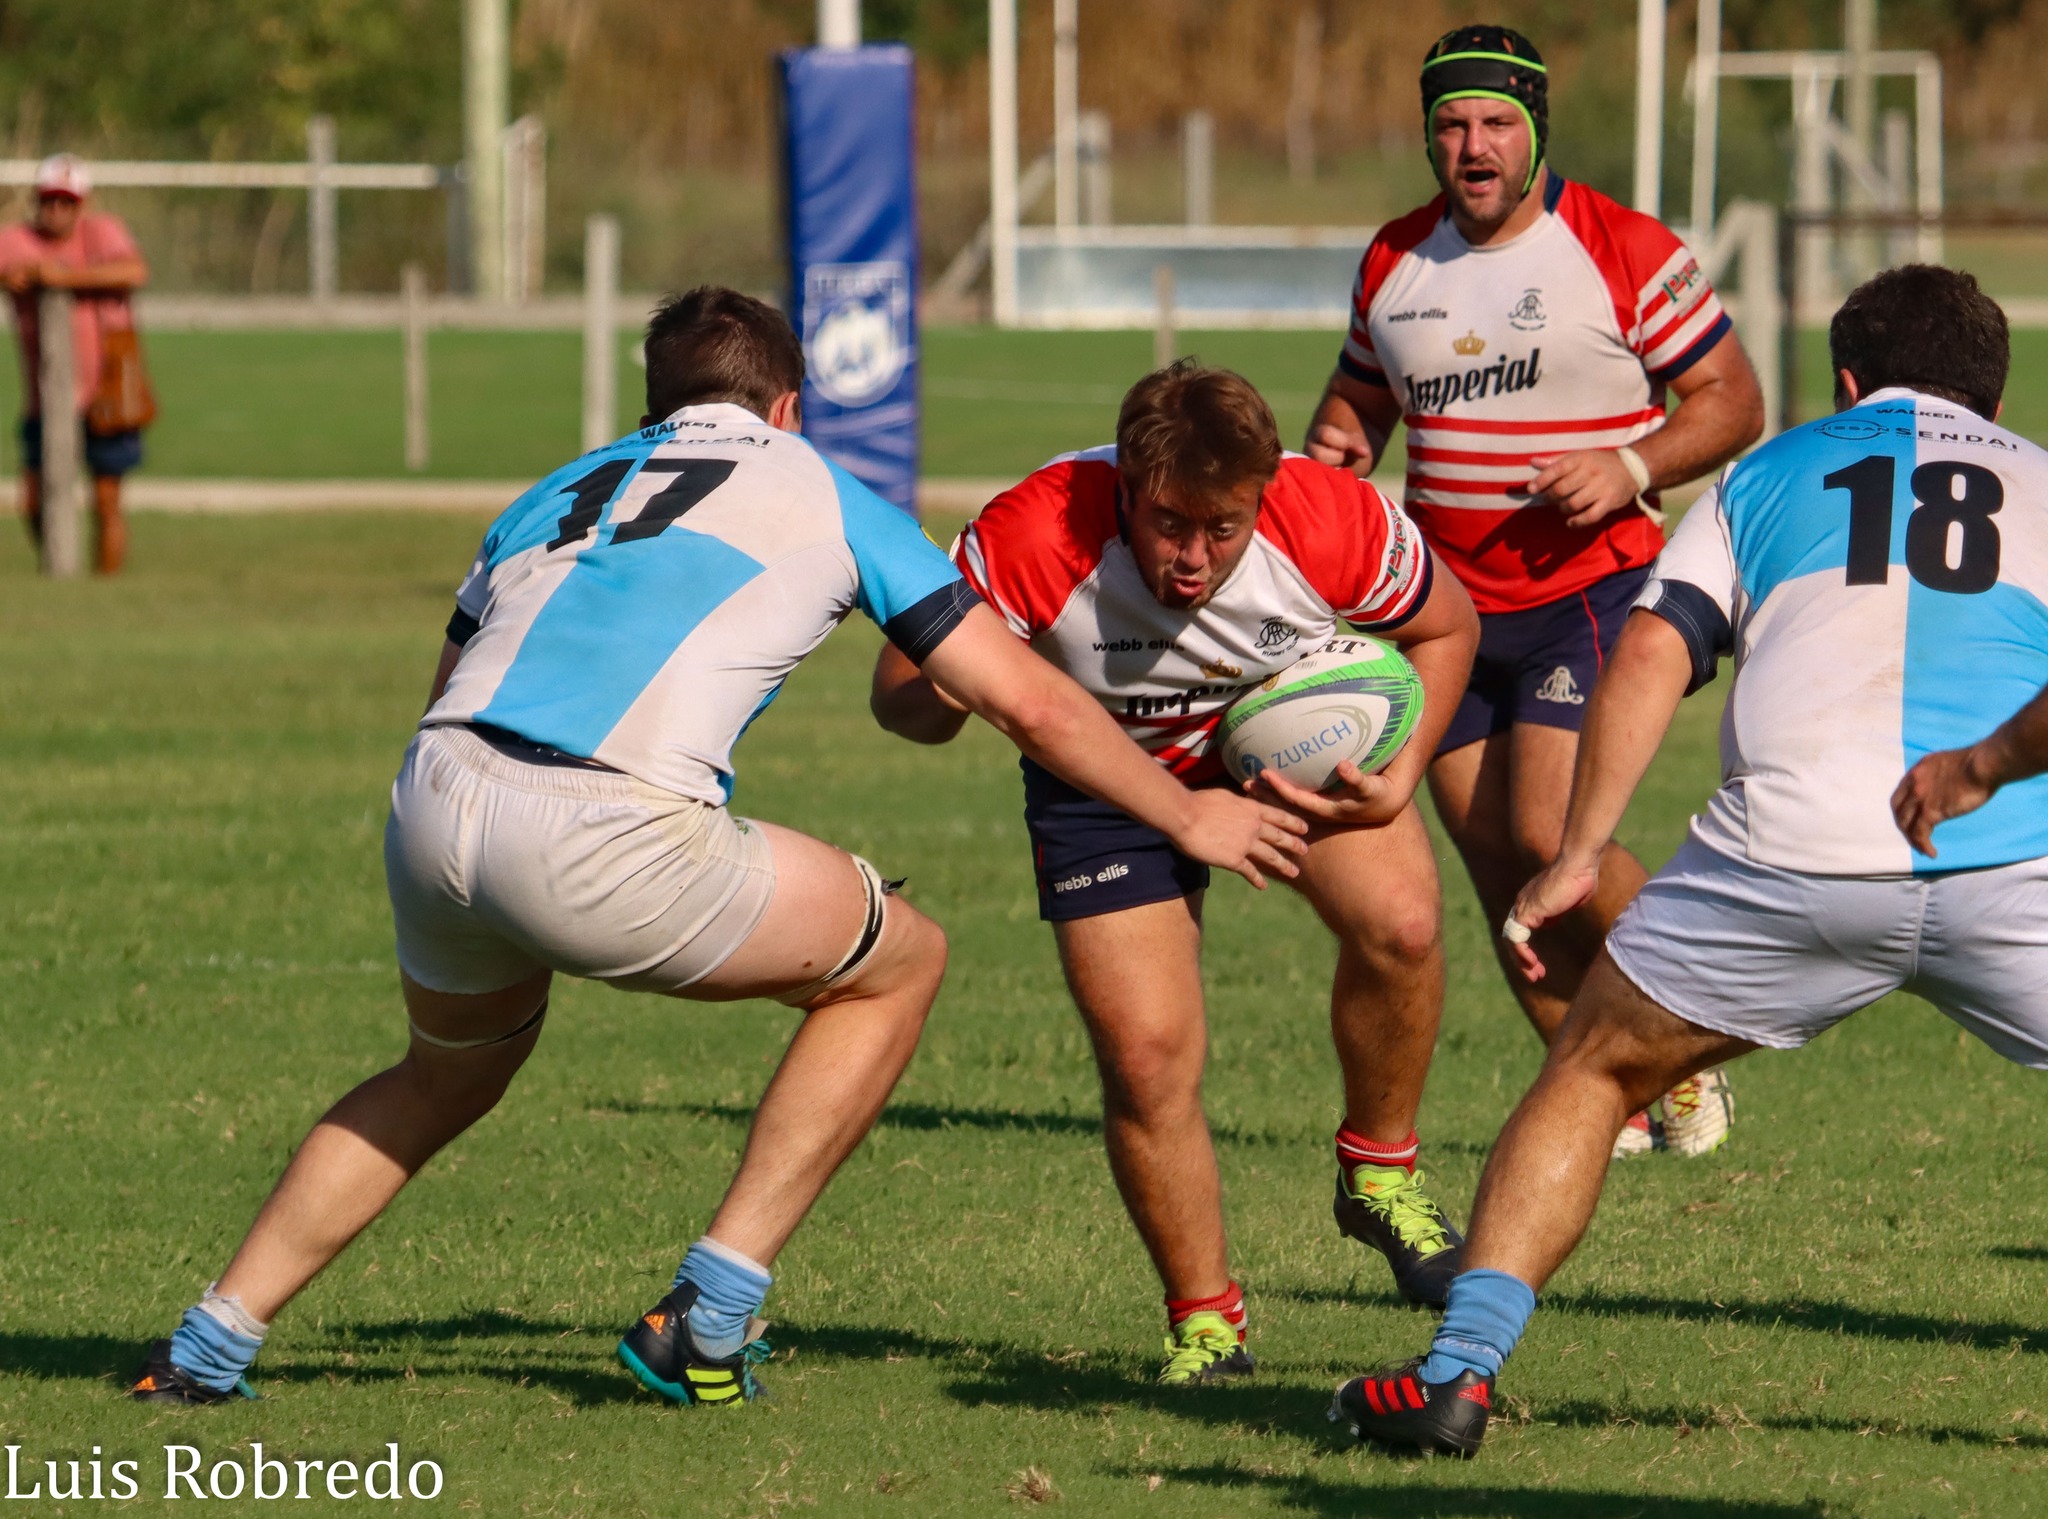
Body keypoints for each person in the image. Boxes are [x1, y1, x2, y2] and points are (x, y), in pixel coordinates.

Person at [128, 288, 1306, 1408]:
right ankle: (713, 1306)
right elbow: (1028, 704)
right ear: (789, 407)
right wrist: (1184, 812)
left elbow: (451, 683)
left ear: (656, 403)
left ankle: (208, 1343)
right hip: (599, 825)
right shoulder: (821, 485)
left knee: (442, 1073)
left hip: (434, 796)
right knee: (898, 963)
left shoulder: (549, 490)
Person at [1335, 264, 2048, 1457]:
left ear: (1843, 383)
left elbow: (1654, 651)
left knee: (1594, 1071)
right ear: (1992, 390)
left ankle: (1455, 1377)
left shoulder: (1763, 475)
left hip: (1791, 852)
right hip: (2012, 858)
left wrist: (1578, 852)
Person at [871, 361, 1479, 1384]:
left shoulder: (1327, 517)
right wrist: (956, 681)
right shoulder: (1032, 534)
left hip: (1277, 746)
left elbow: (1447, 623)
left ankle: (1377, 1172)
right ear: (1125, 487)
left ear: (1263, 494)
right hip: (1100, 777)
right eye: (1167, 526)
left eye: (1223, 530)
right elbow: (898, 701)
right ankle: (1207, 1324)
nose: (1193, 559)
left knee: (1404, 926)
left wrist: (1401, 771)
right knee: (1147, 1054)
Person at [1302, 25, 1765, 1157]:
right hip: (1442, 616)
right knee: (1502, 875)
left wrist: (1631, 466)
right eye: (1452, 125)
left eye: (1496, 123)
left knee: (1547, 833)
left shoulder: (1620, 246)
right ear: (1427, 135)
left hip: (1587, 594)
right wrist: (1333, 448)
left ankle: (1697, 1025)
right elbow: (1358, 403)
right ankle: (1600, 1092)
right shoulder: (1390, 262)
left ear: (1534, 128)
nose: (1473, 146)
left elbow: (1731, 400)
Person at [0, 153, 149, 575]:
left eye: (67, 202)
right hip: (46, 394)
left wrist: (62, 278)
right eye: (48, 201)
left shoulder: (102, 233)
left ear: (82, 203)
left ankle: (105, 582)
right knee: (34, 496)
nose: (56, 211)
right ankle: (59, 565)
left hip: (107, 390)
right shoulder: (15, 240)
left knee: (107, 499)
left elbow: (135, 271)